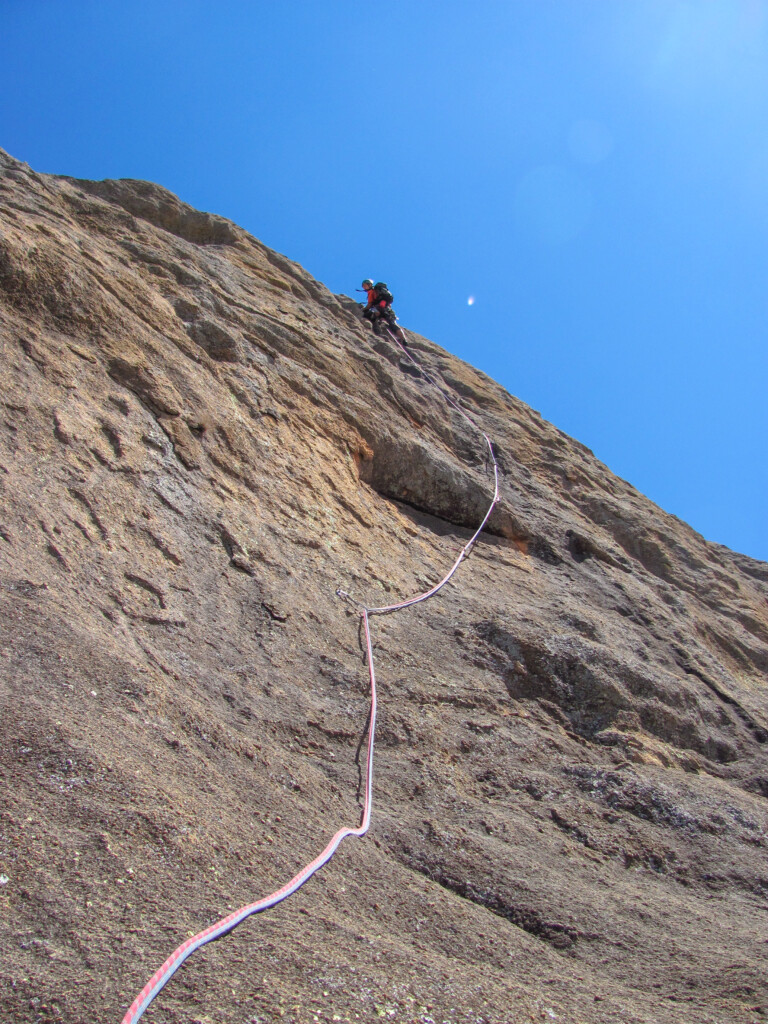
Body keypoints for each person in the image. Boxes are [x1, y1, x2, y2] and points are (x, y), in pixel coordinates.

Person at [359, 279, 408, 345]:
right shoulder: (380, 293)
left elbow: (370, 304)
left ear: (369, 285)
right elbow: (388, 304)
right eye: (363, 286)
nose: (364, 287)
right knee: (393, 324)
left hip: (379, 309)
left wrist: (364, 310)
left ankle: (378, 333)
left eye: (365, 286)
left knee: (373, 318)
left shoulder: (371, 291)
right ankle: (404, 340)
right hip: (387, 310)